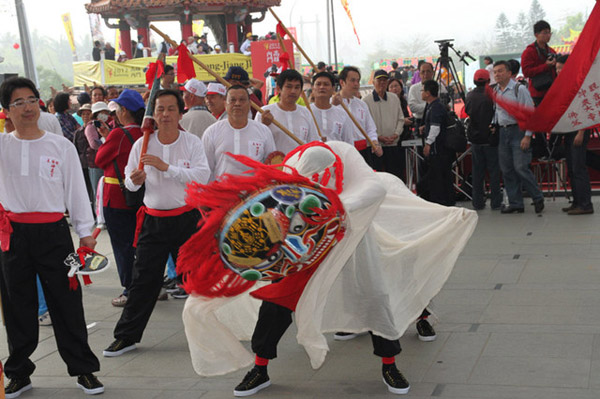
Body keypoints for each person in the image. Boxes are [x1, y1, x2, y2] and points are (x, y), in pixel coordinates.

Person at [0, 77, 104, 397]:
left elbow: (75, 191)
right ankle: (19, 372)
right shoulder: (2, 146)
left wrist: (86, 235)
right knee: (17, 306)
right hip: (12, 236)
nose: (27, 107)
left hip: (55, 234)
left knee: (66, 301)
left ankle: (83, 369)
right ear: (6, 111)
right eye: (18, 103)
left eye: (31, 100)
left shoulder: (59, 146)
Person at [103, 89, 210, 357]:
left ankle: (215, 334)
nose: (165, 114)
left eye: (170, 109)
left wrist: (167, 168)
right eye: (160, 109)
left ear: (180, 112)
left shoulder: (192, 143)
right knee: (143, 282)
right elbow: (129, 178)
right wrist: (134, 181)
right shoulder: (142, 143)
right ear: (154, 114)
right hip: (154, 221)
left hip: (187, 220)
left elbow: (202, 176)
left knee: (198, 280)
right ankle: (126, 336)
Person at [95, 89, 145, 307]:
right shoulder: (146, 133)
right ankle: (148, 284)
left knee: (122, 245)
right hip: (140, 197)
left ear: (125, 111)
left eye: (117, 109)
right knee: (140, 243)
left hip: (117, 198)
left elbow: (100, 159)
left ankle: (129, 288)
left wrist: (107, 137)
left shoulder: (119, 134)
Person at [492, 60, 544, 214]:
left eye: (500, 71)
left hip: (519, 132)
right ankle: (516, 203)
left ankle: (537, 196)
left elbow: (530, 114)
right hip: (503, 132)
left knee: (520, 167)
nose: (497, 74)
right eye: (495, 72)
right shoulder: (495, 91)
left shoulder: (518, 89)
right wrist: (493, 124)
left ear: (509, 73)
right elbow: (497, 112)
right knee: (507, 169)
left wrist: (527, 136)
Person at [203, 85, 276, 181]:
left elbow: (272, 165)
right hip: (221, 192)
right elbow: (206, 169)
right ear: (225, 104)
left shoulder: (263, 131)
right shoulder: (212, 132)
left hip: (255, 193)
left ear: (250, 104)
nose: (237, 104)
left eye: (242, 100)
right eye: (232, 100)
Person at [555, 55, 593, 215]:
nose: (558, 71)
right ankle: (576, 201)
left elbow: (586, 109)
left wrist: (581, 132)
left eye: (561, 67)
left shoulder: (580, 83)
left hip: (579, 130)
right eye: (556, 68)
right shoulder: (563, 85)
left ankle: (586, 204)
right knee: (571, 168)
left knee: (578, 168)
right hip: (569, 131)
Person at [255, 69, 320, 154]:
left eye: (297, 87)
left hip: (301, 165)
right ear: (278, 88)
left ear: (301, 91)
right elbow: (256, 142)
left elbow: (313, 142)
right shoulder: (264, 112)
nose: (293, 91)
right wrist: (264, 125)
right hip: (275, 165)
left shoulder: (306, 113)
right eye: (289, 86)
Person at [465, 69, 501, 210]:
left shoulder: (469, 96)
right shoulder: (492, 95)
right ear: (488, 80)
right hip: (490, 138)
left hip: (475, 138)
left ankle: (478, 202)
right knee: (493, 172)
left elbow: (468, 112)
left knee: (477, 172)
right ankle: (496, 202)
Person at [332, 66, 382, 166]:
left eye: (358, 81)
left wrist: (375, 142)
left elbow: (370, 128)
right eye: (352, 80)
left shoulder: (362, 104)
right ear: (342, 82)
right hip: (342, 152)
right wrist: (332, 106)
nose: (356, 84)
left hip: (362, 151)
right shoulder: (332, 104)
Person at [363, 70, 405, 178]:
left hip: (393, 144)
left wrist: (396, 134)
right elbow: (364, 125)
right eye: (379, 80)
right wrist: (378, 137)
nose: (382, 83)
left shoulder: (394, 98)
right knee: (378, 177)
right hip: (375, 147)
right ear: (373, 82)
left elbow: (401, 119)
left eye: (385, 80)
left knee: (395, 176)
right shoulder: (366, 101)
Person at [419, 80, 454, 206]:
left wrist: (428, 143)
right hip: (439, 149)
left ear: (428, 93)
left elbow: (435, 127)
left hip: (438, 149)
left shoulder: (436, 107)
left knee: (439, 178)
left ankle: (442, 202)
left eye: (422, 90)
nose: (421, 93)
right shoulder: (432, 106)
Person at [310, 71, 354, 143]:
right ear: (312, 88)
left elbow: (349, 142)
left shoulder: (342, 114)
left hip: (337, 153)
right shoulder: (306, 112)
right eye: (318, 84)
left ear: (333, 89)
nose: (322, 87)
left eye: (326, 84)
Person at [521, 20, 557, 106]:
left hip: (552, 90)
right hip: (538, 93)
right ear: (536, 35)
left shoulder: (551, 51)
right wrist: (545, 66)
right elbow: (526, 72)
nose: (548, 35)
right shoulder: (529, 51)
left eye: (549, 33)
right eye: (545, 33)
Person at [85, 101, 111, 208]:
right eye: (103, 112)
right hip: (95, 164)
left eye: (106, 112)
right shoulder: (90, 127)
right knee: (97, 192)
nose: (105, 115)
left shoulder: (106, 125)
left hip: (106, 162)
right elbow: (94, 144)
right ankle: (98, 218)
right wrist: (105, 140)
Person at [407, 62, 435, 128]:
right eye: (423, 72)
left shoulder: (439, 86)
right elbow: (412, 107)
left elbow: (448, 104)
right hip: (420, 122)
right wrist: (432, 106)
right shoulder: (414, 88)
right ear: (419, 74)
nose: (426, 74)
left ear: (432, 73)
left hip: (436, 121)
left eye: (428, 71)